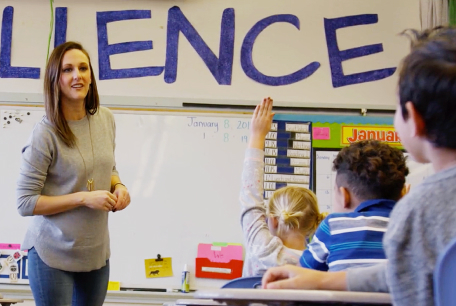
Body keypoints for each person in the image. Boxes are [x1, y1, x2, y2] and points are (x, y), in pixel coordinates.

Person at [261, 26, 456, 306]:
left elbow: (408, 285)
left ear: (413, 118)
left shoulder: (418, 211)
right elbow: (404, 272)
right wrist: (323, 281)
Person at [16, 41, 131, 306]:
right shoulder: (45, 134)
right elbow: (25, 202)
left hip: (95, 253)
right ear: (56, 80)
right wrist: (82, 198)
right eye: (68, 70)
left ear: (91, 75)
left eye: (83, 68)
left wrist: (119, 187)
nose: (77, 75)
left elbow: (108, 167)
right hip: (52, 255)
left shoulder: (106, 119)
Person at [241, 97, 325, 276]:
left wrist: (257, 135)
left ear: (272, 220)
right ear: (313, 224)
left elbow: (250, 195)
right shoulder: (317, 268)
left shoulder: (261, 249)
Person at [301, 139, 409, 271]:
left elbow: (302, 271)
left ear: (344, 196)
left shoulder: (334, 226)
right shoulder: (414, 228)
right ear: (403, 195)